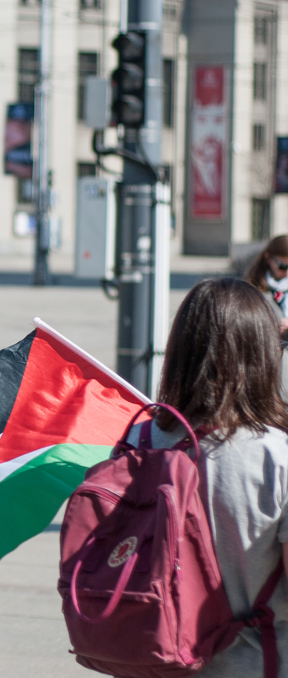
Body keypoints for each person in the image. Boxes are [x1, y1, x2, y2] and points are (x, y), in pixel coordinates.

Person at [134, 277, 288, 676]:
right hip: (254, 661)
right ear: (262, 354)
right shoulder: (276, 454)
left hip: (150, 658)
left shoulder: (138, 436)